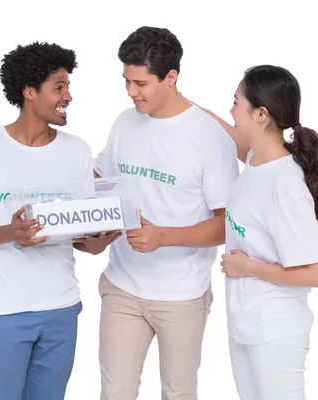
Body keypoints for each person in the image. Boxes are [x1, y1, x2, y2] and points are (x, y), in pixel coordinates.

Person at [0, 42, 120, 400]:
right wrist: (11, 232)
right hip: (3, 311)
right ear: (29, 92)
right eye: (59, 87)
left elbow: (80, 225)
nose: (68, 96)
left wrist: (96, 242)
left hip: (61, 308)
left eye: (68, 87)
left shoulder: (77, 150)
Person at [93, 26, 240, 400]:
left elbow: (228, 224)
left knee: (178, 394)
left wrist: (164, 236)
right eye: (126, 80)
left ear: (171, 77)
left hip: (182, 294)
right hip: (122, 286)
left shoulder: (209, 137)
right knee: (115, 394)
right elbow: (100, 178)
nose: (130, 92)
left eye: (140, 83)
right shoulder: (125, 122)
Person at [213, 65, 318, 400]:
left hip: (276, 330)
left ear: (261, 114)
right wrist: (181, 104)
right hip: (245, 323)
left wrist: (248, 267)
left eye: (236, 102)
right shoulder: (257, 159)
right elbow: (230, 136)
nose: (231, 110)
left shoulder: (286, 184)